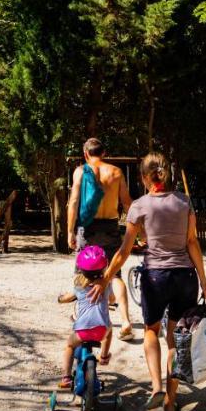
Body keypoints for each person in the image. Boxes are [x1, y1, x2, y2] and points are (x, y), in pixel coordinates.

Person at [91, 151, 206, 411]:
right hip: (184, 277)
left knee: (150, 330)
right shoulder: (184, 202)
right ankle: (170, 402)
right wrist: (203, 279)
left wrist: (106, 278)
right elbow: (192, 242)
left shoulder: (140, 206)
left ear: (146, 177)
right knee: (175, 338)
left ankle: (156, 386)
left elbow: (124, 250)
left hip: (155, 277)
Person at [66, 138, 135, 339]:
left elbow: (74, 202)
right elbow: (127, 202)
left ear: (85, 153)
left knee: (82, 272)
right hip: (110, 225)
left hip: (87, 228)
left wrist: (70, 231)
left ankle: (83, 314)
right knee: (115, 274)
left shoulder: (80, 171)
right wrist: (138, 229)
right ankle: (125, 321)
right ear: (103, 153)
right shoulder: (116, 172)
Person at [56, 245, 113, 389]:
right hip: (102, 330)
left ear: (81, 269)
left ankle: (66, 377)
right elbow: (112, 299)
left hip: (83, 330)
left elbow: (68, 297)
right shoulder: (106, 285)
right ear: (104, 267)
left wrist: (60, 299)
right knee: (110, 329)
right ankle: (104, 356)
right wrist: (109, 301)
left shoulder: (79, 286)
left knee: (69, 345)